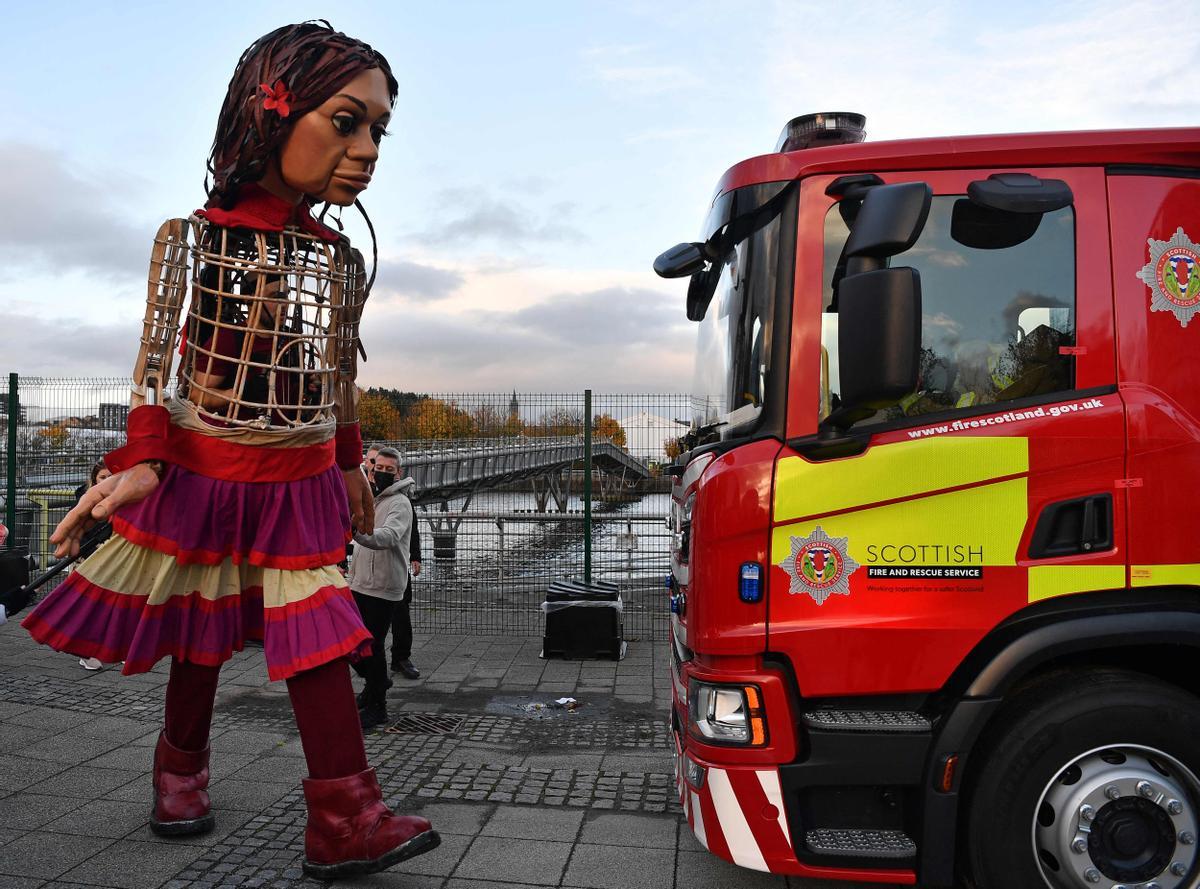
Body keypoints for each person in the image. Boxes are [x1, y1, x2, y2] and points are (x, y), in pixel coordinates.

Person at [20, 22, 438, 878]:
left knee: (318, 631)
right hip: (210, 470)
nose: (365, 151)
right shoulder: (192, 241)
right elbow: (153, 365)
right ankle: (181, 769)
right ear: (272, 114)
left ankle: (344, 815)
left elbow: (337, 379)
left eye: (377, 131)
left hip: (301, 475)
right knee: (203, 633)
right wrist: (143, 455)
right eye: (347, 121)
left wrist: (349, 458)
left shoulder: (340, 262)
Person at [347, 447, 415, 729]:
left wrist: (357, 534)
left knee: (371, 647)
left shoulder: (400, 503)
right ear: (371, 471)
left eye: (390, 470)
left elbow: (387, 536)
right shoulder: (372, 497)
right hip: (361, 583)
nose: (383, 474)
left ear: (399, 472)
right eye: (379, 469)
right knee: (353, 644)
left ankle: (379, 706)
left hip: (382, 587)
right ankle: (375, 685)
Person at [74, 460, 114, 670]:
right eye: (102, 478)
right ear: (94, 480)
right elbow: (79, 535)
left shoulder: (122, 500)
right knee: (90, 606)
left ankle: (113, 645)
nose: (107, 482)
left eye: (110, 477)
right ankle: (86, 650)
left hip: (113, 558)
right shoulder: (84, 501)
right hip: (89, 559)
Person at [390, 459, 422, 679]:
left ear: (398, 472)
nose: (378, 471)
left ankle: (401, 657)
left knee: (401, 616)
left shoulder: (403, 501)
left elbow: (413, 528)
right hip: (371, 570)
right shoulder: (362, 493)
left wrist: (416, 556)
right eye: (374, 465)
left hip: (398, 565)